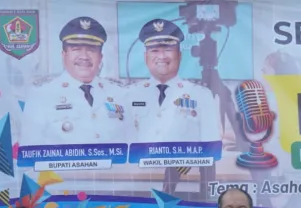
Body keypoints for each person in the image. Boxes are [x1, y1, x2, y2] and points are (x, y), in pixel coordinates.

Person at [21, 17, 129, 146]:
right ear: (64, 55)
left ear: (100, 57)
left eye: (91, 50)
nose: (84, 57)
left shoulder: (119, 93)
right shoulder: (42, 96)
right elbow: (30, 152)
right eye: (76, 49)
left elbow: (132, 145)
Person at [131, 18, 221, 144]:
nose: (162, 56)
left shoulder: (201, 95)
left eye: (168, 50)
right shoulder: (130, 95)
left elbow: (211, 146)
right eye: (155, 50)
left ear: (179, 55)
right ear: (146, 57)